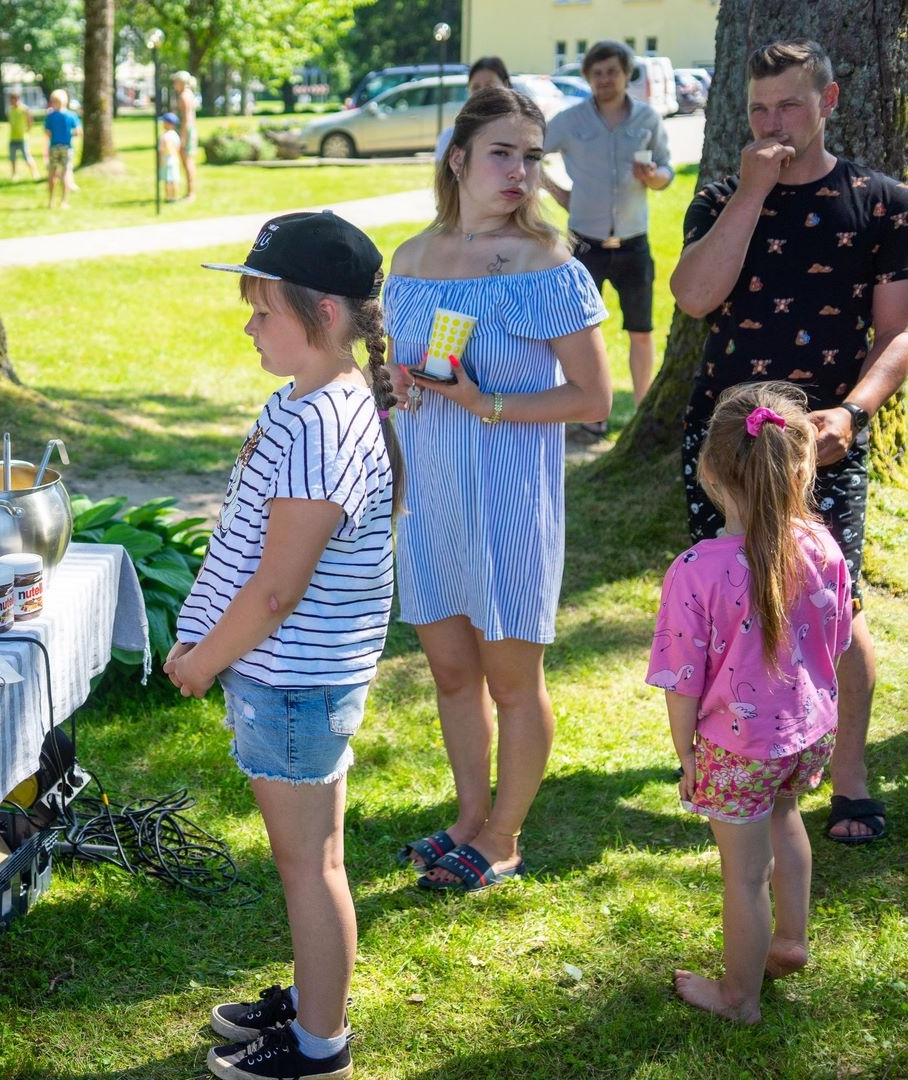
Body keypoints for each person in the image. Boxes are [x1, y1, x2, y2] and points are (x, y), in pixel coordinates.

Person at [169, 209, 399, 1080]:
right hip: (292, 679)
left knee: (311, 867)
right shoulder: (306, 403)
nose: (248, 323)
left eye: (263, 308)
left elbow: (276, 589)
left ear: (326, 315)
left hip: (292, 682)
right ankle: (317, 1000)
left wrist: (203, 658)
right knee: (315, 859)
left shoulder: (323, 425)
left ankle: (320, 1045)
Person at [669, 38, 908, 846]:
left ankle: (847, 778)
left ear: (829, 102)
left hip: (819, 442)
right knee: (725, 604)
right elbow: (696, 297)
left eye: (791, 106)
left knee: (834, 607)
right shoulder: (724, 194)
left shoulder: (882, 200)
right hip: (727, 441)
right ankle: (730, 756)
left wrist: (854, 411)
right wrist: (754, 191)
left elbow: (899, 332)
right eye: (761, 108)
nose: (775, 122)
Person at [384, 88, 611, 890]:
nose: (520, 171)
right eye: (502, 153)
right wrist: (399, 381)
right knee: (451, 673)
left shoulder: (550, 264)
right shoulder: (410, 258)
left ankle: (505, 837)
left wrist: (491, 404)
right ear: (459, 160)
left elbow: (593, 399)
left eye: (531, 156)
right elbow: (398, 367)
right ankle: (467, 817)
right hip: (431, 499)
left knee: (514, 681)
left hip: (510, 503)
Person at [649, 382, 852, 1025]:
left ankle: (739, 997)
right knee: (785, 817)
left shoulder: (696, 569)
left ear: (708, 470)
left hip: (736, 751)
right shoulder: (823, 545)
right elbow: (839, 636)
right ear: (801, 468)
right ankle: (790, 942)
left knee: (742, 874)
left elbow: (682, 679)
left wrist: (686, 753)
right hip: (809, 731)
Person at [542, 39, 673, 427]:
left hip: (634, 242)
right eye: (597, 73)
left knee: (641, 332)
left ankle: (642, 412)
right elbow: (533, 154)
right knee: (580, 334)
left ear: (625, 74)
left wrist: (655, 178)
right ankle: (587, 415)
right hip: (584, 243)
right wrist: (559, 193)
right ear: (587, 77)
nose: (604, 79)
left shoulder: (647, 119)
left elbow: (666, 169)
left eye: (612, 71)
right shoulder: (570, 120)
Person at [435, 56, 512, 159]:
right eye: (476, 87)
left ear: (505, 85)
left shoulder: (522, 132)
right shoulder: (450, 138)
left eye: (490, 86)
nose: (482, 92)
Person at [43, 89, 81, 209]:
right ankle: (64, 201)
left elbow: (48, 133)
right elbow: (79, 132)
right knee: (65, 173)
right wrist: (70, 134)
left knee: (52, 173)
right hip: (67, 147)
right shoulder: (72, 116)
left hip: (54, 146)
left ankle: (51, 200)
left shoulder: (50, 116)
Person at [172, 71, 200, 199]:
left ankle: (190, 193)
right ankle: (190, 191)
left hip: (186, 132)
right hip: (190, 130)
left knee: (187, 162)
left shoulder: (184, 96)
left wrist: (182, 138)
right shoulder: (189, 94)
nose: (174, 85)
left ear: (181, 82)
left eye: (175, 82)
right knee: (189, 162)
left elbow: (186, 119)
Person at [7, 91, 39, 181]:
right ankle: (14, 174)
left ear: (17, 99)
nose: (11, 102)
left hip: (22, 138)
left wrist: (28, 131)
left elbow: (30, 121)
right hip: (12, 138)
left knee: (27, 157)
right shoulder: (10, 110)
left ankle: (35, 173)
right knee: (12, 158)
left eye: (12, 100)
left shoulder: (24, 109)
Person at [159, 112, 181, 202]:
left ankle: (169, 197)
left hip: (167, 160)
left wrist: (162, 157)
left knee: (168, 181)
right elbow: (177, 147)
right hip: (174, 160)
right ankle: (174, 197)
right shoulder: (175, 134)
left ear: (169, 124)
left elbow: (167, 148)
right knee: (174, 179)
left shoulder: (166, 136)